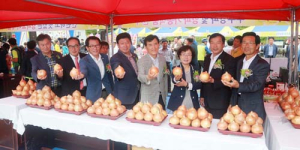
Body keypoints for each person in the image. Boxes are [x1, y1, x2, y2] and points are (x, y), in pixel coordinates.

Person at [222, 32, 270, 120]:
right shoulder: (239, 62)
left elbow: (257, 85)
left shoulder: (262, 64)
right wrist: (231, 103)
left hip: (252, 108)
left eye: (250, 43)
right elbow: (235, 85)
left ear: (257, 46)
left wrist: (238, 85)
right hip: (236, 107)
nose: (246, 46)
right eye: (244, 42)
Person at [200, 33, 236, 119]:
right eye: (212, 43)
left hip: (220, 101)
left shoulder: (229, 59)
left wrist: (213, 81)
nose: (215, 46)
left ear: (223, 44)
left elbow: (229, 80)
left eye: (218, 43)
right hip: (207, 100)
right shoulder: (207, 58)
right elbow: (203, 77)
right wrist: (202, 95)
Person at [78, 36, 113, 102]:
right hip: (94, 94)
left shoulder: (105, 57)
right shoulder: (84, 60)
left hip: (107, 92)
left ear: (100, 46)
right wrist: (82, 75)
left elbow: (109, 73)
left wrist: (112, 90)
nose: (95, 48)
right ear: (87, 48)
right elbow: (84, 70)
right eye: (92, 46)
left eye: (97, 45)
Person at [110, 33, 139, 109]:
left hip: (137, 93)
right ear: (118, 45)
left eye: (127, 42)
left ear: (131, 43)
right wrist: (118, 74)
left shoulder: (134, 56)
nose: (125, 45)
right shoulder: (115, 58)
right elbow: (116, 66)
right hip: (124, 97)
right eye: (122, 43)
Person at [167, 45, 201, 111]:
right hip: (178, 102)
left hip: (192, 102)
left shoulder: (196, 69)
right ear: (179, 56)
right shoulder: (176, 68)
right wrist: (177, 79)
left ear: (192, 56)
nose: (186, 57)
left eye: (189, 54)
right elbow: (174, 81)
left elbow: (199, 85)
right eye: (183, 54)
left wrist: (186, 84)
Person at [137, 35, 167, 108]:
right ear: (146, 47)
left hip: (162, 95)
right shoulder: (141, 61)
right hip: (148, 97)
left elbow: (165, 75)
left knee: (161, 117)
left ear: (159, 44)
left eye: (155, 44)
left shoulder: (162, 59)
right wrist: (148, 77)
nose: (153, 47)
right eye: (150, 45)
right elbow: (140, 76)